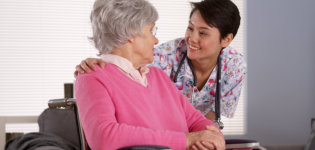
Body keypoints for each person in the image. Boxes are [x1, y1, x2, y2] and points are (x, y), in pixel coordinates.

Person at [74, 0, 225, 149]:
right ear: (130, 32)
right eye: (151, 31)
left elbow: (196, 121)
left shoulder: (158, 76)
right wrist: (185, 140)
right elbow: (104, 138)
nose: (156, 40)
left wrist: (213, 137)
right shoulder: (92, 76)